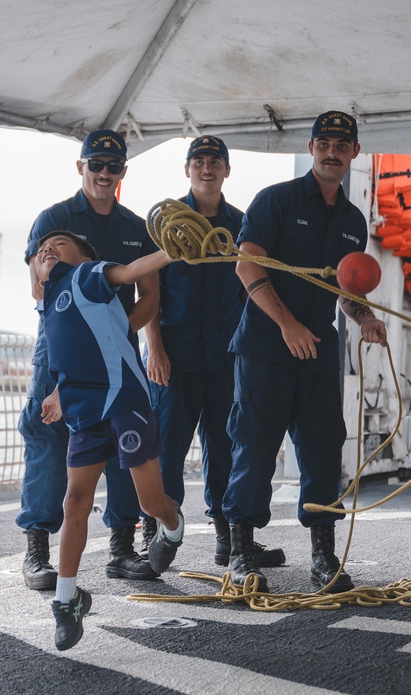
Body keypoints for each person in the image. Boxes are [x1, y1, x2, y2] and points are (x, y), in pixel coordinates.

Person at [221, 111, 388, 593]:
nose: (331, 151)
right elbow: (246, 266)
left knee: (321, 449)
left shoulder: (354, 222)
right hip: (265, 348)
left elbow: (345, 287)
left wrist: (365, 317)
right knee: (254, 448)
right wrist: (289, 325)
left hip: (317, 351)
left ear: (355, 152)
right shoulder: (275, 200)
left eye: (342, 144)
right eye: (323, 143)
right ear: (311, 148)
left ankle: (323, 556)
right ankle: (240, 553)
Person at [16, 130, 160, 590]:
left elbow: (150, 297)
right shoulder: (53, 219)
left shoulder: (137, 227)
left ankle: (121, 547)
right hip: (60, 355)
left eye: (112, 166)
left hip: (118, 357)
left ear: (122, 173)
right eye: (95, 164)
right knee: (48, 439)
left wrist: (113, 338)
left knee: (126, 447)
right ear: (80, 167)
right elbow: (38, 289)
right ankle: (38, 548)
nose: (103, 173)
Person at [33, 230, 183, 651]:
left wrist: (176, 249)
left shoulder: (87, 275)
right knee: (74, 503)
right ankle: (67, 601)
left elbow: (133, 271)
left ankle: (171, 528)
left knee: (150, 503)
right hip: (84, 413)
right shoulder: (50, 303)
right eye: (43, 246)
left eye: (59, 243)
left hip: (123, 402)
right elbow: (77, 353)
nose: (48, 248)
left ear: (82, 256)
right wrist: (59, 392)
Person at [140, 135, 285, 568]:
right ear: (187, 169)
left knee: (228, 450)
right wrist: (155, 350)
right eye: (199, 161)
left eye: (215, 162)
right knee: (165, 450)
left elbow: (254, 292)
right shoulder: (165, 225)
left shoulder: (243, 228)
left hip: (227, 360)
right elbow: (149, 291)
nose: (207, 168)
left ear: (226, 170)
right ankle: (158, 536)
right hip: (176, 359)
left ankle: (230, 539)